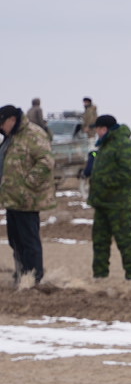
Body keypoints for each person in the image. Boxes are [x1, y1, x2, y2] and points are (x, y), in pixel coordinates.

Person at [0, 104, 56, 289]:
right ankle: (21, 274)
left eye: (2, 124)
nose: (1, 128)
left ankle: (34, 278)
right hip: (11, 199)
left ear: (12, 120)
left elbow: (46, 161)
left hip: (27, 200)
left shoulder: (33, 133)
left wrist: (27, 184)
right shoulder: (11, 137)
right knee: (14, 239)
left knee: (29, 241)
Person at [87, 114, 131, 281]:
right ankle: (100, 275)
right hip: (102, 202)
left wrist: (103, 182)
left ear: (105, 129)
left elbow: (127, 172)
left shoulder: (123, 144)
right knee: (100, 241)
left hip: (118, 203)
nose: (97, 133)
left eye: (98, 129)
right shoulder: (104, 145)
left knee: (124, 240)